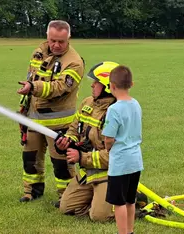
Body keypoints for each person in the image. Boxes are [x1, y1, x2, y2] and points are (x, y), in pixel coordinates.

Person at [17, 20, 84, 205]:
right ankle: (32, 191)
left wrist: (33, 87)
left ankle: (67, 197)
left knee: (61, 164)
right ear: (47, 36)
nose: (56, 45)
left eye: (61, 41)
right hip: (33, 118)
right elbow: (31, 75)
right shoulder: (39, 51)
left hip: (58, 122)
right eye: (52, 40)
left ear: (68, 38)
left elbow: (60, 87)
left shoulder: (74, 62)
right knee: (30, 158)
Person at [55, 61, 119, 221]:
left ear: (107, 87)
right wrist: (67, 141)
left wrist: (81, 158)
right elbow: (74, 129)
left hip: (109, 175)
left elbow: (114, 156)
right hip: (88, 173)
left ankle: (132, 200)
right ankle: (98, 200)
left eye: (96, 82)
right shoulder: (87, 103)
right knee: (66, 208)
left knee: (99, 216)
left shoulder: (117, 112)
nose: (92, 86)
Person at [102, 65, 144, 234]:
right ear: (131, 84)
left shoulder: (113, 109)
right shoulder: (136, 104)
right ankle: (130, 230)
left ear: (111, 86)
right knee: (130, 200)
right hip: (135, 161)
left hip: (120, 163)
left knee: (118, 202)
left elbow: (109, 138)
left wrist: (107, 147)